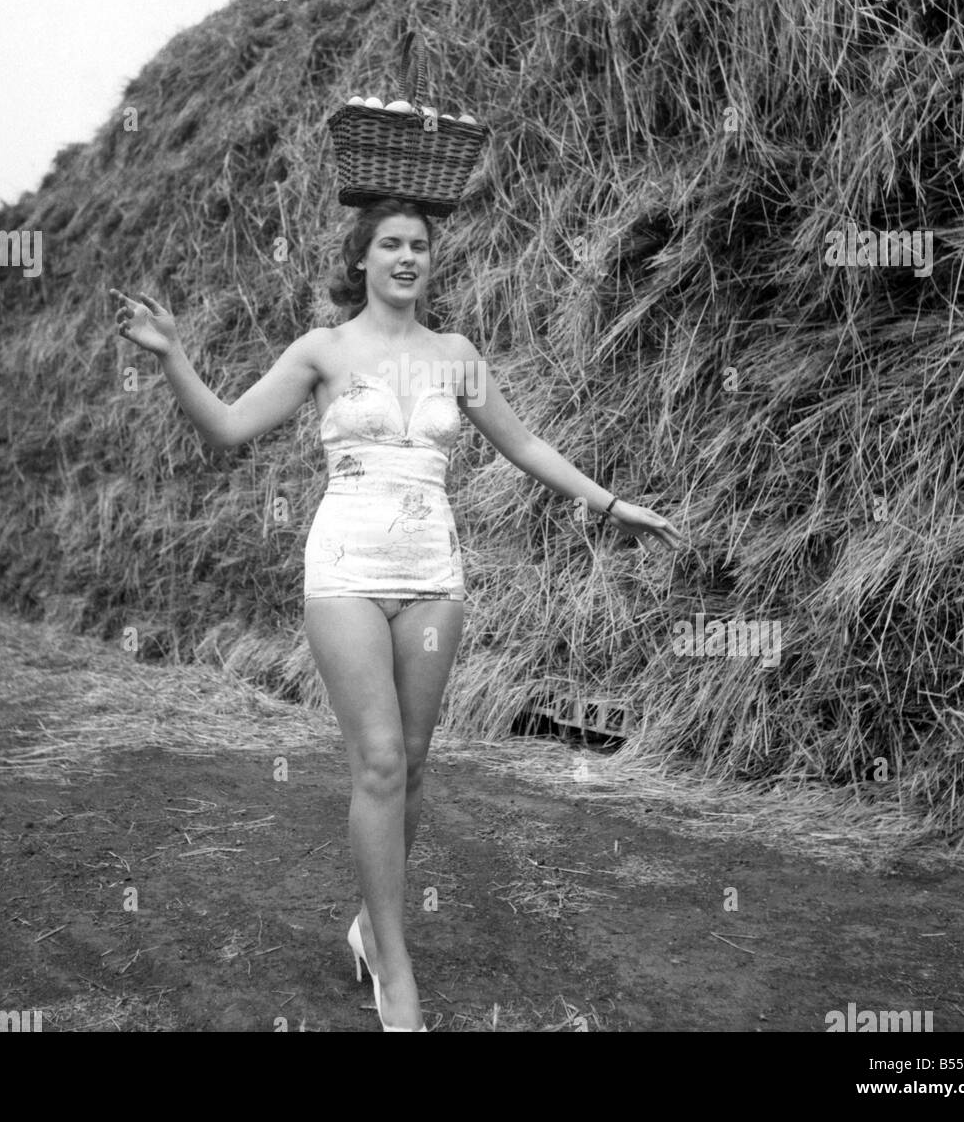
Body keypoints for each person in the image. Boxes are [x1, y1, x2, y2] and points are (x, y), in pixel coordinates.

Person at [110, 195, 684, 1031]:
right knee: (377, 761)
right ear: (362, 260)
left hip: (432, 580)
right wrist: (174, 357)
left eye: (419, 245)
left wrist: (609, 503)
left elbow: (523, 446)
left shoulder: (456, 356)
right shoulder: (323, 350)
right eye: (390, 244)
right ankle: (396, 964)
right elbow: (230, 429)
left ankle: (367, 929)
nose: (407, 256)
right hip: (344, 572)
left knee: (411, 765)